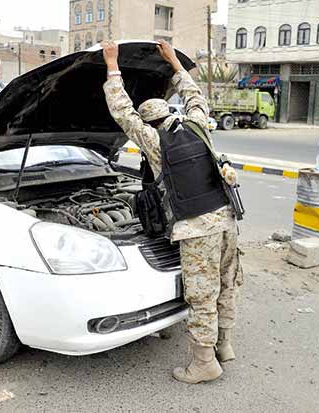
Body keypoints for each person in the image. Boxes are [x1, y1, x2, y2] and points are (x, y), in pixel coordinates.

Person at [101, 40, 243, 384]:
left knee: (201, 294)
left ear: (151, 122)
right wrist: (174, 63)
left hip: (197, 229)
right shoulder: (197, 123)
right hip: (227, 220)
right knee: (227, 283)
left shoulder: (154, 141)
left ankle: (204, 363)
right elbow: (194, 95)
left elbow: (122, 112)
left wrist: (112, 64)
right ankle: (224, 345)